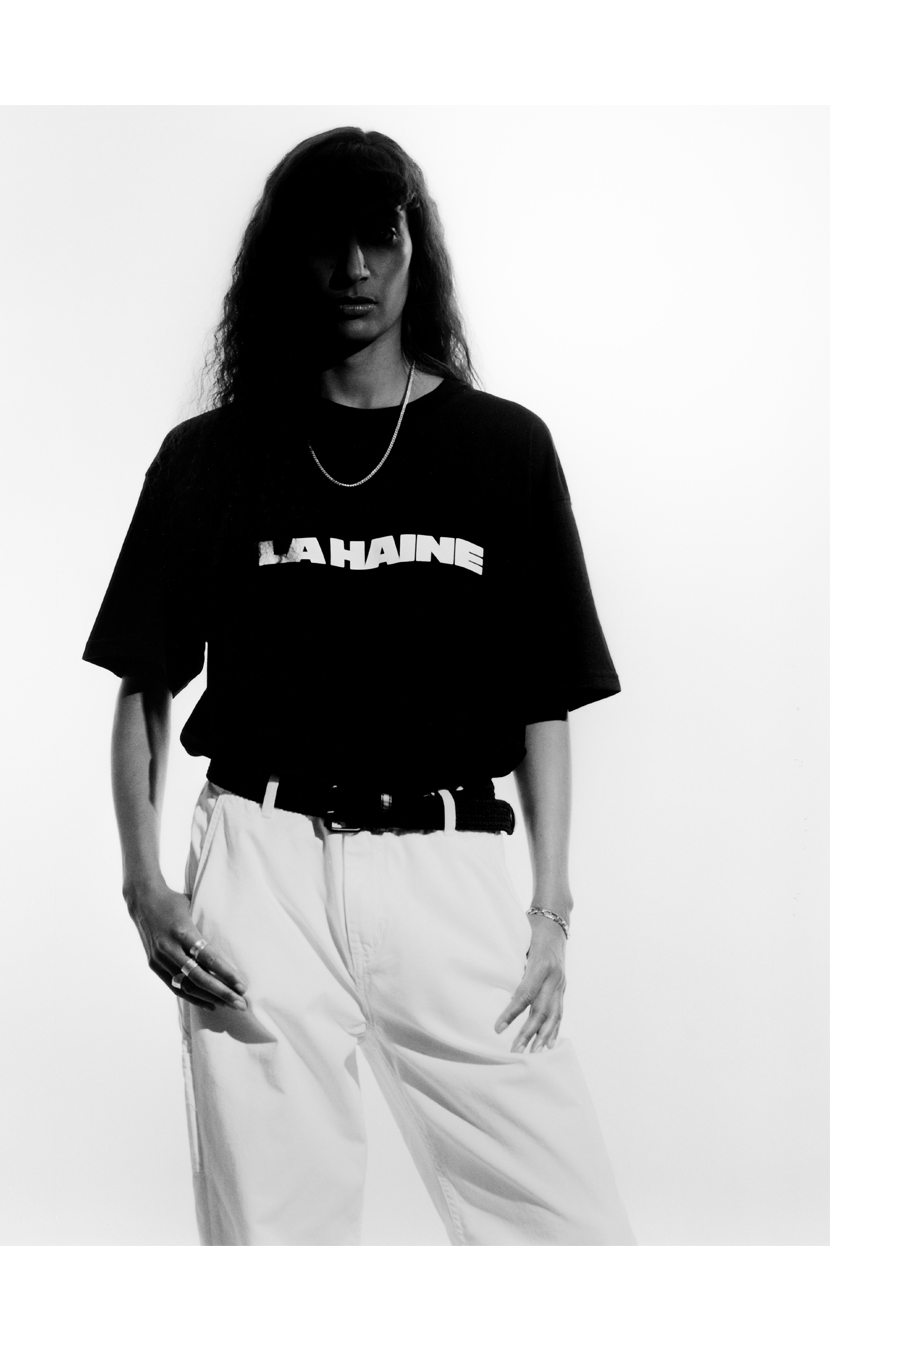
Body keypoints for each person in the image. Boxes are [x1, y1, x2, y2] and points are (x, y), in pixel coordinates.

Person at [83, 126, 635, 1246]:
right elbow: (145, 683)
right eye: (326, 241)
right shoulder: (211, 459)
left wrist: (551, 906)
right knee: (275, 1242)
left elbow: (544, 695)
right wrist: (145, 885)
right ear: (284, 259)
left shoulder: (503, 450)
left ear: (414, 249)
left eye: (379, 237)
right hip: (262, 870)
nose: (353, 269)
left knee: (567, 1231)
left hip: (449, 871)